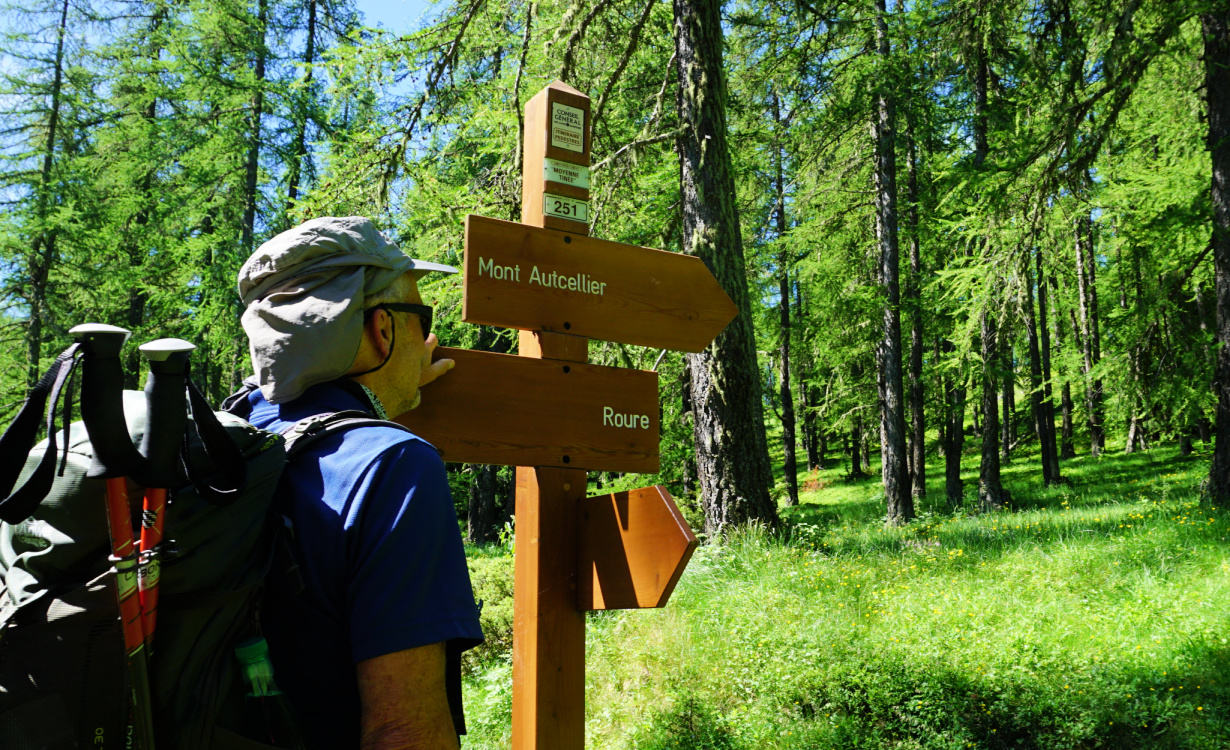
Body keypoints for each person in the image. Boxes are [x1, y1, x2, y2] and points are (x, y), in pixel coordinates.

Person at [233, 216, 483, 749]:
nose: (432, 340)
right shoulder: (395, 467)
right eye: (422, 318)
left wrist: (394, 386)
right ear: (383, 329)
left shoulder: (228, 439)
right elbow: (404, 732)